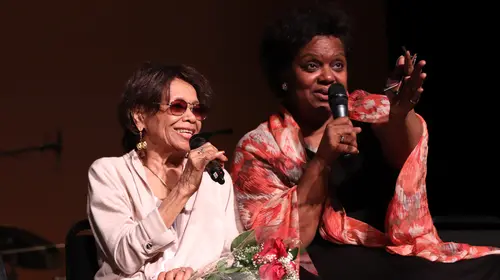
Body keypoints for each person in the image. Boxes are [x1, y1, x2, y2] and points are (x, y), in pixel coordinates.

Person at [230, 3, 500, 280]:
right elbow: (275, 244)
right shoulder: (260, 147)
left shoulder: (368, 112)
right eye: (311, 65)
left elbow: (404, 159)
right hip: (323, 260)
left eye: (337, 65)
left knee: (492, 265)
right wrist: (322, 160)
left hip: (390, 249)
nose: (327, 77)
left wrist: (398, 115)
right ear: (284, 77)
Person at [87, 62, 241, 280]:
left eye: (197, 110)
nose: (191, 118)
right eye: (178, 107)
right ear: (140, 117)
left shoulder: (215, 178)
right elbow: (124, 257)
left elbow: (232, 259)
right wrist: (184, 188)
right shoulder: (110, 173)